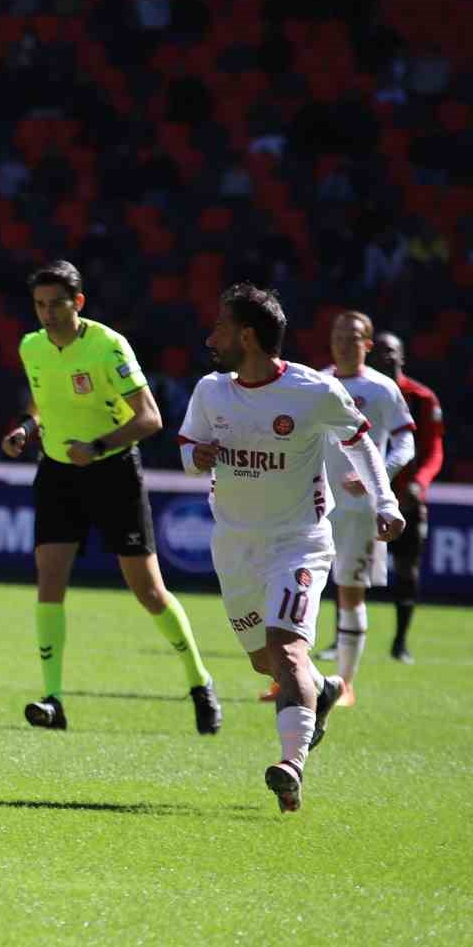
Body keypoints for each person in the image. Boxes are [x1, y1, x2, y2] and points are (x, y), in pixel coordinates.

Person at [177, 283, 403, 813]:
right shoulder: (211, 390)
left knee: (287, 650)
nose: (210, 338)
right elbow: (187, 452)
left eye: (220, 327)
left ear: (247, 336)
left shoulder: (312, 390)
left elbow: (360, 441)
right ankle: (321, 690)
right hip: (234, 545)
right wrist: (199, 458)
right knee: (266, 662)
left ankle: (291, 764)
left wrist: (385, 501)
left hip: (297, 542)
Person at [4, 262, 220, 733]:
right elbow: (43, 400)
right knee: (49, 582)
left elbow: (150, 417)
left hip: (113, 472)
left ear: (78, 303)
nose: (47, 314)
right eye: (40, 305)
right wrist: (26, 428)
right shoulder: (31, 346)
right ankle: (53, 699)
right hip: (57, 473)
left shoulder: (108, 346)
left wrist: (98, 446)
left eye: (56, 304)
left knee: (148, 590)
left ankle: (199, 682)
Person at [296, 312, 414, 706]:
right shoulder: (317, 383)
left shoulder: (382, 388)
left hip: (359, 511)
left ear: (367, 344)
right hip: (311, 506)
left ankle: (344, 685)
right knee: (299, 591)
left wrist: (377, 476)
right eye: (338, 337)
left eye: (353, 338)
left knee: (350, 592)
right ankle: (295, 677)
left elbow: (405, 443)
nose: (344, 344)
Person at [368, 332, 443, 663]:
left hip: (406, 499)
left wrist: (419, 484)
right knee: (349, 569)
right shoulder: (360, 392)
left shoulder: (422, 398)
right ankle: (341, 640)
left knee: (406, 570)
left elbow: (434, 450)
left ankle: (400, 642)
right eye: (379, 351)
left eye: (391, 351)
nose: (385, 356)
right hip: (364, 497)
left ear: (402, 356)